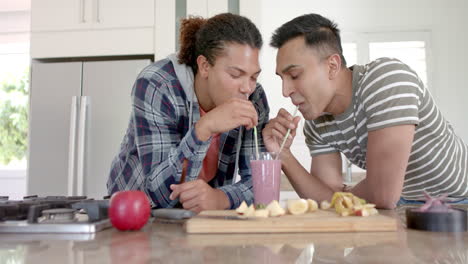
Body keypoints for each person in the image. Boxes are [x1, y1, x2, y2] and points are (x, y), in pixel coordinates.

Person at [263, 13, 468, 209]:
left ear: (332, 66)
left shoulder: (386, 80)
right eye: (282, 78)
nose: (285, 91)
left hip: (459, 201)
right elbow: (326, 203)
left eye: (295, 75)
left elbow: (382, 195)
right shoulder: (317, 122)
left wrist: (344, 198)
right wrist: (283, 155)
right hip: (402, 207)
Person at [107, 13, 269, 212]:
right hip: (135, 209)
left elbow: (260, 185)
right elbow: (160, 195)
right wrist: (204, 129)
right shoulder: (157, 84)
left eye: (254, 76)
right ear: (204, 66)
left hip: (198, 215)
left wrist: (219, 198)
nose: (247, 87)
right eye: (236, 74)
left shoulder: (254, 97)